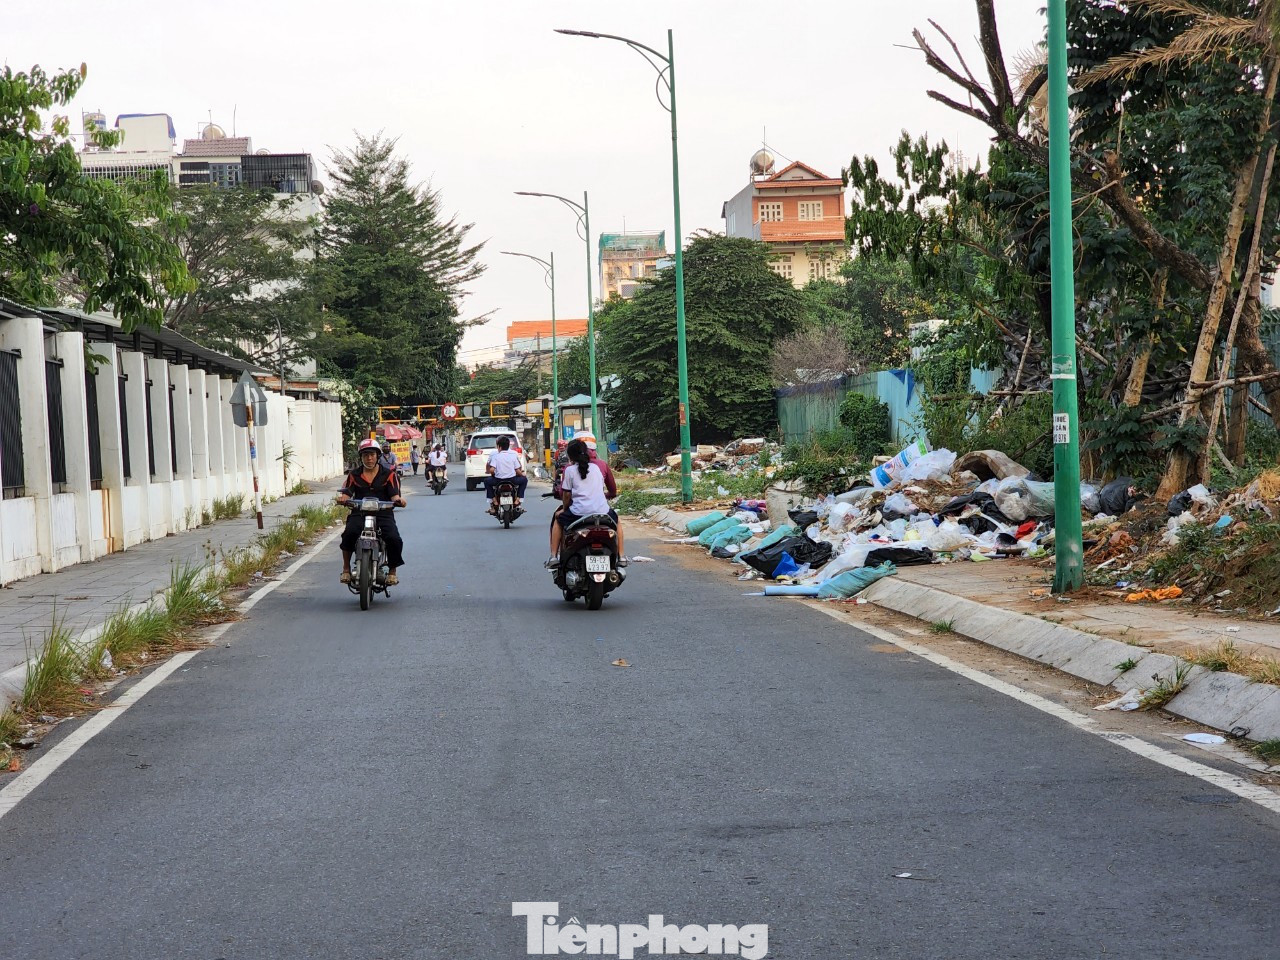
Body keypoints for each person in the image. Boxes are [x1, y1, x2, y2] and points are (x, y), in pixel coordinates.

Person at [337, 438, 407, 585]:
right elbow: (347, 492)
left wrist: (399, 501)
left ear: (377, 456)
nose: (369, 458)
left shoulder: (389, 474)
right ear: (361, 457)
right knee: (349, 533)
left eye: (372, 455)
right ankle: (346, 569)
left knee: (394, 538)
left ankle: (392, 572)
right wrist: (343, 499)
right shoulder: (354, 475)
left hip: (383, 513)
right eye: (365, 455)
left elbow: (395, 495)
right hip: (359, 512)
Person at [547, 438, 625, 568]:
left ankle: (554, 556)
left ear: (570, 455)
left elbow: (566, 495)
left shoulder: (570, 470)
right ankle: (622, 556)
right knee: (617, 522)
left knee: (558, 519)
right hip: (603, 512)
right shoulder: (596, 468)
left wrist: (564, 509)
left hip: (579, 513)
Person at [484, 434, 527, 511]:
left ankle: (494, 500)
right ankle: (518, 499)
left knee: (486, 481)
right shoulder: (513, 455)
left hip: (498, 480)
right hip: (512, 480)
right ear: (508, 446)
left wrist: (493, 474)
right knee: (524, 480)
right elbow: (517, 470)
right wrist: (522, 475)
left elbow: (492, 470)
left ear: (499, 447)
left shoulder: (495, 456)